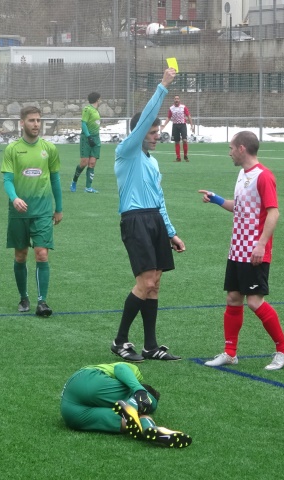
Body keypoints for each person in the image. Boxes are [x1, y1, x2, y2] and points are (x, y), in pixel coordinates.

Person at [198, 131, 284, 371]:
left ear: (242, 148)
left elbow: (274, 213)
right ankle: (230, 353)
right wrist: (216, 199)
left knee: (254, 301)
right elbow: (239, 207)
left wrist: (261, 244)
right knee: (233, 298)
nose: (229, 153)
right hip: (237, 249)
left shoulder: (264, 176)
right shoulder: (242, 174)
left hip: (254, 251)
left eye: (231, 148)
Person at [111, 68, 185, 363]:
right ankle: (119, 341)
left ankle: (150, 346)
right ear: (140, 133)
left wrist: (170, 231)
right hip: (135, 220)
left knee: (155, 283)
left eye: (157, 132)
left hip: (154, 220)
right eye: (152, 133)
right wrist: (163, 86)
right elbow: (146, 119)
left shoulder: (152, 163)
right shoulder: (126, 151)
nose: (157, 136)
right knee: (145, 282)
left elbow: (159, 200)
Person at [2, 106, 63, 317]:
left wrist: (59, 208)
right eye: (31, 120)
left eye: (38, 120)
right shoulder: (12, 149)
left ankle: (42, 302)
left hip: (43, 211)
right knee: (20, 255)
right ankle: (23, 297)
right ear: (22, 123)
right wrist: (15, 198)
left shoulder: (49, 149)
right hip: (19, 212)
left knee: (42, 254)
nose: (36, 124)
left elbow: (55, 179)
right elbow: (7, 180)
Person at [60, 362, 192, 448]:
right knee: (145, 402)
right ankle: (136, 403)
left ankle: (149, 428)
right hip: (86, 380)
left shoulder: (119, 405)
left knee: (129, 420)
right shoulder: (136, 375)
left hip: (71, 413)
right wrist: (139, 390)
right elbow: (121, 367)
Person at [70, 92, 102, 193]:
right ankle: (74, 181)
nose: (100, 101)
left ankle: (88, 187)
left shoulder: (96, 110)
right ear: (97, 99)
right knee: (84, 162)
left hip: (96, 138)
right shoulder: (87, 109)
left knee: (92, 163)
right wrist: (88, 137)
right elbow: (83, 123)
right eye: (100, 99)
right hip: (87, 138)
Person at [160, 95, 194, 162]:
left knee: (184, 140)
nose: (176, 100)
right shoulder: (171, 108)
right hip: (175, 125)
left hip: (183, 125)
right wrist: (164, 125)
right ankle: (178, 158)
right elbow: (168, 117)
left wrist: (191, 125)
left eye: (177, 99)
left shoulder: (183, 107)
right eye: (175, 99)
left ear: (179, 100)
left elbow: (188, 116)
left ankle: (185, 156)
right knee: (177, 141)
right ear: (174, 100)